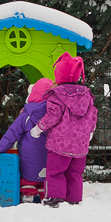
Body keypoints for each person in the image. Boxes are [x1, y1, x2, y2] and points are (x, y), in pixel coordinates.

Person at [30, 52, 98, 208]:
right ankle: (74, 199)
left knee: (55, 171)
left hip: (59, 145)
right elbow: (93, 114)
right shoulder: (87, 95)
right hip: (80, 145)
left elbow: (52, 116)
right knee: (75, 173)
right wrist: (90, 131)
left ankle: (55, 198)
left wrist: (39, 128)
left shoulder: (57, 95)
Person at [0, 78, 54, 203]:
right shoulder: (54, 114)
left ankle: (28, 195)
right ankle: (45, 195)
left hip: (29, 156)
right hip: (48, 154)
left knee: (29, 177)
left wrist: (1, 147)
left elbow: (13, 132)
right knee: (45, 178)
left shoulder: (27, 114)